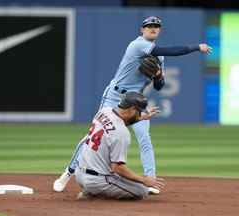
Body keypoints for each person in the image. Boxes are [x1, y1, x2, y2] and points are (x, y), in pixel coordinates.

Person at [53, 16, 212, 194]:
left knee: (145, 139)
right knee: (93, 135)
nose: (153, 28)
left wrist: (158, 75)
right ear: (142, 30)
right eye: (149, 26)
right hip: (114, 96)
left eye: (156, 26)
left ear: (159, 30)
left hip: (136, 101)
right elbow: (171, 50)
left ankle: (150, 181)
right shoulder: (137, 45)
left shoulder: (159, 56)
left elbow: (159, 86)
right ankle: (68, 173)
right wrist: (196, 47)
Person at [75, 92, 164, 199]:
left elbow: (116, 125)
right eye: (139, 111)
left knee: (123, 178)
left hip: (79, 173)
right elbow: (118, 168)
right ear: (131, 109)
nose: (140, 114)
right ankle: (93, 193)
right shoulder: (122, 134)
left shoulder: (104, 111)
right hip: (96, 181)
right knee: (142, 190)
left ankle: (91, 189)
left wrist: (141, 118)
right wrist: (143, 179)